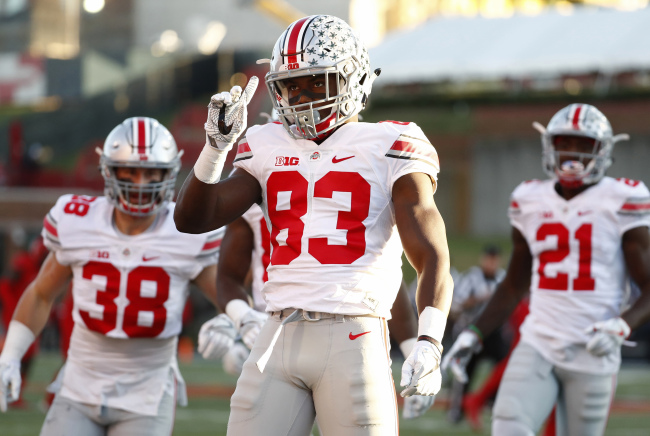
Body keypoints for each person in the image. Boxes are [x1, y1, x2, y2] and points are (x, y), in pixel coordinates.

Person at [174, 14, 454, 435]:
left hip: (353, 335)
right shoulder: (265, 144)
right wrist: (216, 149)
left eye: (315, 82)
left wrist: (429, 341)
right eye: (290, 85)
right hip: (276, 334)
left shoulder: (390, 143)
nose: (301, 96)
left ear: (354, 79)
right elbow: (192, 218)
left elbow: (431, 254)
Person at [0, 117, 223, 435]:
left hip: (147, 394)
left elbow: (226, 294)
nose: (140, 183)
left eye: (150, 173)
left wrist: (237, 323)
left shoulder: (185, 230)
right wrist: (10, 355)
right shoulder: (79, 221)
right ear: (109, 171)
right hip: (79, 386)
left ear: (169, 174)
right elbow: (41, 293)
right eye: (129, 171)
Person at [442, 103, 650, 436]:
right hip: (538, 340)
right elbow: (513, 284)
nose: (572, 152)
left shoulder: (622, 198)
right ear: (549, 145)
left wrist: (622, 326)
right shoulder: (529, 199)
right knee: (508, 426)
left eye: (584, 144)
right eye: (564, 142)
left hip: (593, 348)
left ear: (603, 150)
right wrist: (473, 332)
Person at [198, 204, 436, 419]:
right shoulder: (256, 166)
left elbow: (384, 274)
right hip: (272, 331)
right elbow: (228, 276)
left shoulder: (372, 165)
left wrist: (413, 352)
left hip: (349, 329)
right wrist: (242, 319)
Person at [446, 244, 508, 425]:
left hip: (493, 332)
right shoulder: (472, 278)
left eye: (495, 259)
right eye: (489, 258)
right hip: (471, 331)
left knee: (504, 367)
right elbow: (456, 305)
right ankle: (456, 409)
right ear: (483, 259)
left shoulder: (502, 278)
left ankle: (492, 402)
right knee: (464, 371)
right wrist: (479, 299)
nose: (491, 263)